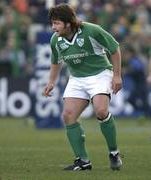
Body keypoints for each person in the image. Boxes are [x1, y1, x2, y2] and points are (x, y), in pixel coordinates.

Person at [43, 3, 122, 171]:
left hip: (100, 74)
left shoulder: (92, 30)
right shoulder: (55, 40)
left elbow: (114, 49)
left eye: (56, 23)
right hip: (77, 78)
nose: (53, 27)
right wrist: (51, 81)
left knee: (101, 111)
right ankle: (83, 161)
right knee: (68, 115)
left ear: (68, 22)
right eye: (52, 23)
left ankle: (114, 153)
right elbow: (55, 61)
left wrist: (116, 75)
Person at [123, 46, 151, 121]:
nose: (125, 56)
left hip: (141, 86)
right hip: (138, 86)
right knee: (141, 102)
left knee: (134, 100)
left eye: (126, 54)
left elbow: (138, 70)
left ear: (131, 53)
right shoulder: (133, 61)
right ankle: (148, 115)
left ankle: (150, 116)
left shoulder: (135, 60)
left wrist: (127, 72)